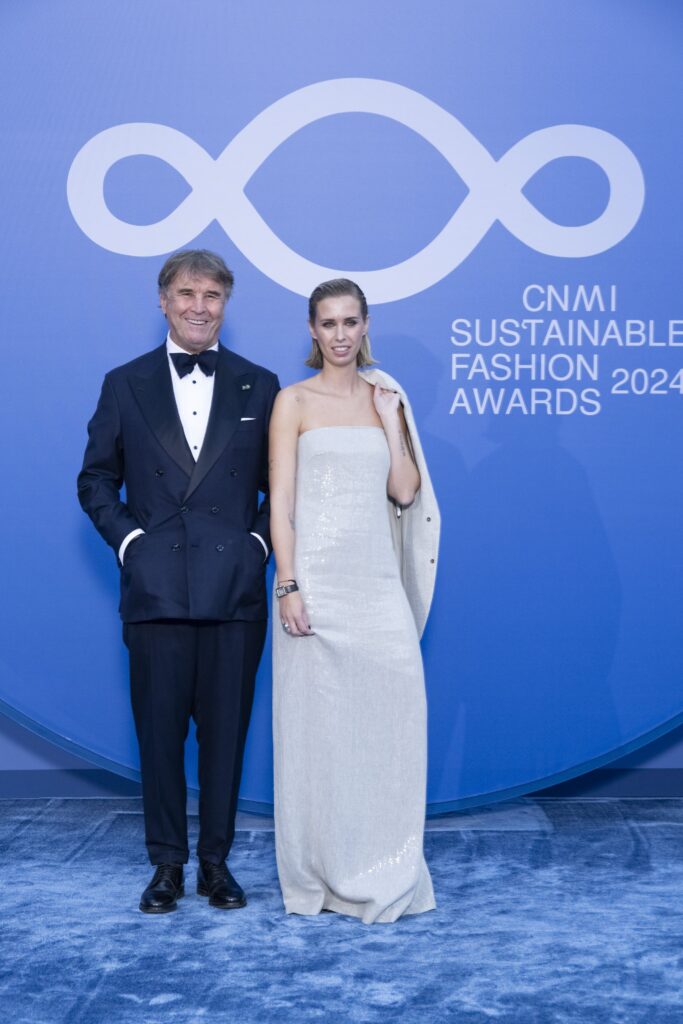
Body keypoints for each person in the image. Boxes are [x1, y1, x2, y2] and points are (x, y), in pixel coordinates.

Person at [78, 249, 279, 914]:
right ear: (162, 300)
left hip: (233, 590)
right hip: (155, 589)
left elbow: (284, 487)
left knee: (226, 735)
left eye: (212, 296)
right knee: (159, 736)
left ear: (226, 304)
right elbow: (95, 479)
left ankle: (216, 863)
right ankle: (166, 864)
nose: (199, 307)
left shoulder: (261, 384)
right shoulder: (123, 383)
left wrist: (256, 544)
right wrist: (130, 544)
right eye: (187, 294)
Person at [269, 278, 440, 924]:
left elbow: (405, 491)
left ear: (366, 325)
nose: (340, 335)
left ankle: (386, 866)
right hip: (313, 587)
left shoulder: (386, 397)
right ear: (312, 331)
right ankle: (319, 873)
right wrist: (288, 583)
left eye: (350, 322)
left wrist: (392, 423)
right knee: (317, 739)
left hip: (376, 588)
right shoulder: (292, 402)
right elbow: (281, 503)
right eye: (328, 323)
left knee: (389, 728)